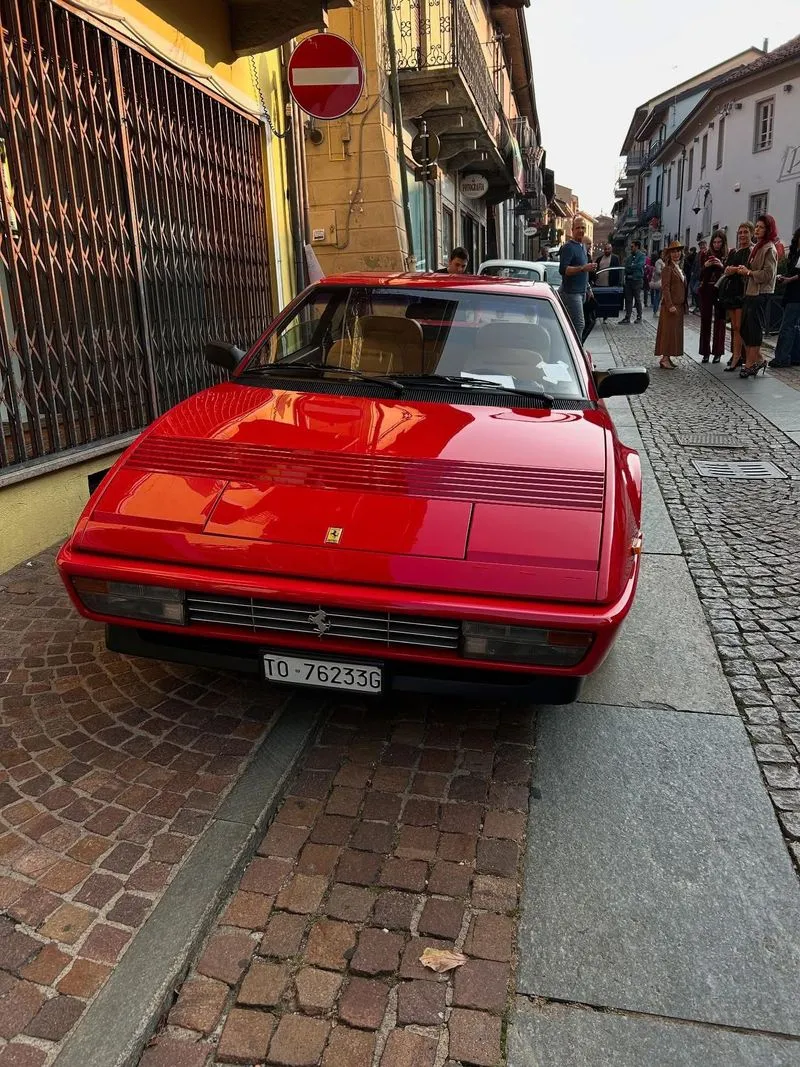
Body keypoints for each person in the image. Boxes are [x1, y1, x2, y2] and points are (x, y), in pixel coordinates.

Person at [736, 214, 778, 377]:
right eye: (757, 226)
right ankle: (759, 360)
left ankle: (750, 365)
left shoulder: (769, 248)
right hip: (751, 291)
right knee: (745, 330)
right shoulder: (759, 246)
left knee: (753, 331)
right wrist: (744, 270)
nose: (758, 229)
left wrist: (749, 272)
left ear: (768, 230)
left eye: (761, 227)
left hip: (760, 293)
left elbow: (768, 274)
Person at [720, 221, 754, 372]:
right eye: (740, 232)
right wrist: (734, 269)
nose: (742, 235)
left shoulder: (752, 250)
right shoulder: (736, 252)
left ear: (751, 233)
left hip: (744, 292)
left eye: (745, 232)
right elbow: (727, 269)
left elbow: (748, 271)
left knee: (740, 327)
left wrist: (735, 270)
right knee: (734, 327)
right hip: (732, 291)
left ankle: (749, 358)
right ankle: (736, 355)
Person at [558, 216, 595, 337]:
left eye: (583, 228)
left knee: (573, 324)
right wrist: (583, 268)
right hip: (571, 293)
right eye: (578, 227)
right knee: (579, 324)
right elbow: (563, 270)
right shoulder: (568, 247)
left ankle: (573, 349)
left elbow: (585, 270)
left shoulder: (583, 247)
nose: (581, 230)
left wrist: (588, 288)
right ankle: (576, 353)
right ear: (572, 230)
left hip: (582, 292)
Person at [654, 240, 686, 369]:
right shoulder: (668, 268)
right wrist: (670, 305)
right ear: (669, 254)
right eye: (673, 251)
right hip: (670, 306)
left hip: (678, 305)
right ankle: (665, 358)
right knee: (667, 332)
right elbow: (665, 288)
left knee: (673, 333)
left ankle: (667, 357)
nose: (676, 254)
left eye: (678, 251)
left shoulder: (678, 268)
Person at [698, 230, 728, 362]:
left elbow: (729, 273)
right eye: (715, 242)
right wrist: (705, 266)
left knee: (720, 321)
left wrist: (721, 265)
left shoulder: (727, 255)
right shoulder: (705, 255)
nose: (717, 245)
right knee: (705, 320)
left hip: (720, 290)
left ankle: (718, 352)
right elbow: (698, 274)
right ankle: (705, 351)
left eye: (719, 242)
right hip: (706, 289)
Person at [772, 228, 800, 367]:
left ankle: (782, 358)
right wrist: (784, 277)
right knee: (793, 326)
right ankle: (794, 357)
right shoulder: (794, 252)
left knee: (788, 326)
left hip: (796, 294)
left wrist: (789, 279)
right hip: (791, 293)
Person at [619, 240, 646, 323]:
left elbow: (640, 265)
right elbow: (626, 267)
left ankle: (639, 317)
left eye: (632, 246)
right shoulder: (629, 257)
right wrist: (632, 267)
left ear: (637, 247)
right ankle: (627, 317)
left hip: (637, 280)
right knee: (628, 299)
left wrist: (631, 267)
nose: (631, 248)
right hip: (628, 280)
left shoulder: (641, 256)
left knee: (637, 299)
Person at [690, 238, 707, 311]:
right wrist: (692, 272)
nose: (701, 247)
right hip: (695, 275)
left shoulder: (707, 253)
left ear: (706, 245)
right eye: (700, 245)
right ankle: (698, 306)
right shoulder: (698, 254)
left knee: (696, 290)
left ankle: (700, 306)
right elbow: (694, 264)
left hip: (702, 276)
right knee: (692, 290)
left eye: (703, 245)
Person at [650, 250, 664, 316]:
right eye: (663, 254)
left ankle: (657, 310)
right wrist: (665, 272)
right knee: (657, 296)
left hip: (662, 280)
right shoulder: (659, 261)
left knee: (659, 296)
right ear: (660, 255)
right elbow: (658, 271)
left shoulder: (662, 261)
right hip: (658, 280)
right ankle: (655, 311)